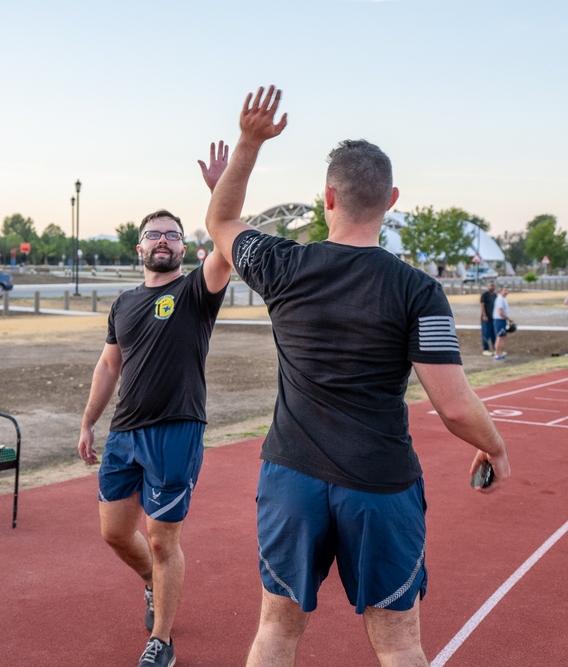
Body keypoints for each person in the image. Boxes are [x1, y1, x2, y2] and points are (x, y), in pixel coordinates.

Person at [204, 86, 511, 667]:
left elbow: (220, 218)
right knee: (399, 642)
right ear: (391, 199)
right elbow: (456, 407)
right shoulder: (419, 290)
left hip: (291, 475)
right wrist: (493, 447)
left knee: (276, 629)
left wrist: (249, 142)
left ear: (327, 197)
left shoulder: (282, 264)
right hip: (379, 482)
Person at [78, 143, 232, 667]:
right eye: (153, 234)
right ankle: (150, 582)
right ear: (138, 248)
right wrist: (88, 421)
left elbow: (227, 246)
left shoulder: (196, 291)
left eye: (171, 233)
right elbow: (108, 367)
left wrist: (219, 193)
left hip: (176, 430)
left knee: (163, 540)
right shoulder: (122, 303)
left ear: (184, 247)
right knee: (115, 533)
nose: (162, 240)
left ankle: (161, 642)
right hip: (124, 433)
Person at [492, 285, 515, 361]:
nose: (506, 292)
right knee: (499, 337)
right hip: (499, 320)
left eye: (507, 290)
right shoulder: (500, 300)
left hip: (502, 320)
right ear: (500, 291)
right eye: (505, 290)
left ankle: (500, 353)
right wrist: (508, 318)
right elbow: (500, 312)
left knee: (503, 337)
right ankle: (497, 354)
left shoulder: (503, 299)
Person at [479, 281, 497, 356]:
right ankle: (485, 349)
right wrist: (484, 315)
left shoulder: (495, 295)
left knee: (494, 334)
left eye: (493, 286)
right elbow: (482, 305)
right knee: (485, 334)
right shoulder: (485, 295)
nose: (491, 287)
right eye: (490, 286)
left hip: (493, 318)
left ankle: (495, 348)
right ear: (488, 286)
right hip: (486, 318)